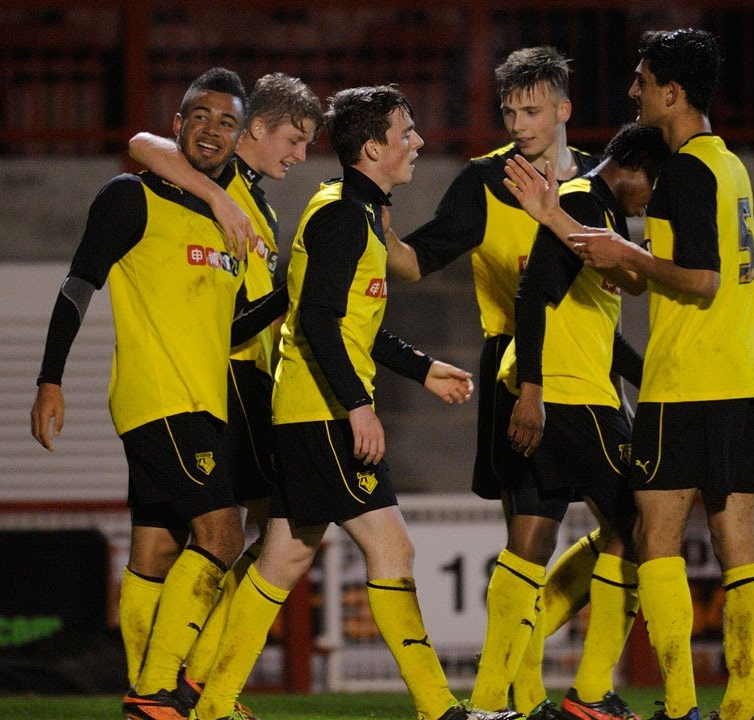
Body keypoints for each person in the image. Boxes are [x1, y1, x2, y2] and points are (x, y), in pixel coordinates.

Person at [185, 84, 519, 720]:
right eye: (405, 131)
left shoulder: (351, 211)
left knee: (285, 555)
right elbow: (314, 318)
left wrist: (421, 369)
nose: (417, 141)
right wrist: (357, 407)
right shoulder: (343, 216)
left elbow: (348, 323)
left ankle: (209, 702)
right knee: (392, 551)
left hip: (311, 411)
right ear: (373, 148)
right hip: (325, 415)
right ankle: (438, 708)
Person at [386, 46, 637, 720]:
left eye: (532, 109)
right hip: (517, 374)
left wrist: (639, 374)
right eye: (509, 110)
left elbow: (607, 298)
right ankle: (532, 699)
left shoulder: (595, 180)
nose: (520, 123)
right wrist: (368, 214)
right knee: (538, 535)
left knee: (604, 528)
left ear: (563, 109)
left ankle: (514, 695)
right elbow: (421, 257)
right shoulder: (484, 182)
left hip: (590, 367)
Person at [29, 67, 251, 720]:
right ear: (177, 125)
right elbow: (78, 284)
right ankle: (159, 690)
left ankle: (160, 694)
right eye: (200, 116)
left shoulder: (227, 216)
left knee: (155, 548)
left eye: (227, 122)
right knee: (223, 535)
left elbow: (224, 323)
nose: (212, 130)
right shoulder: (131, 197)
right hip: (159, 400)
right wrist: (50, 378)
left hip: (204, 404)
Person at [570, 29, 754, 720]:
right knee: (737, 537)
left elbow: (701, 279)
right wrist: (620, 255)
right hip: (746, 377)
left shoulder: (683, 171)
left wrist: (626, 252)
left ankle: (682, 702)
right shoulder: (731, 166)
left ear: (671, 92)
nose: (633, 91)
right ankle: (740, 706)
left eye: (642, 79)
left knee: (656, 539)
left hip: (686, 380)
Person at [127, 72, 324, 714]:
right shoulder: (217, 188)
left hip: (225, 377)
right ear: (255, 130)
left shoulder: (253, 201)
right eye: (292, 139)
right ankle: (186, 687)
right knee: (275, 530)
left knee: (162, 541)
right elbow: (143, 144)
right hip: (222, 378)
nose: (298, 155)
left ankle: (168, 692)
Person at [497, 123, 670, 720]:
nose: (654, 198)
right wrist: (533, 392)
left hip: (555, 390)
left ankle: (511, 695)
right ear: (631, 164)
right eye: (655, 182)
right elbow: (531, 295)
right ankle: (592, 691)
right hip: (569, 398)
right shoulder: (579, 205)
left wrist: (651, 375)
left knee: (530, 545)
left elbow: (596, 325)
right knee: (643, 525)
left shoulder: (597, 216)